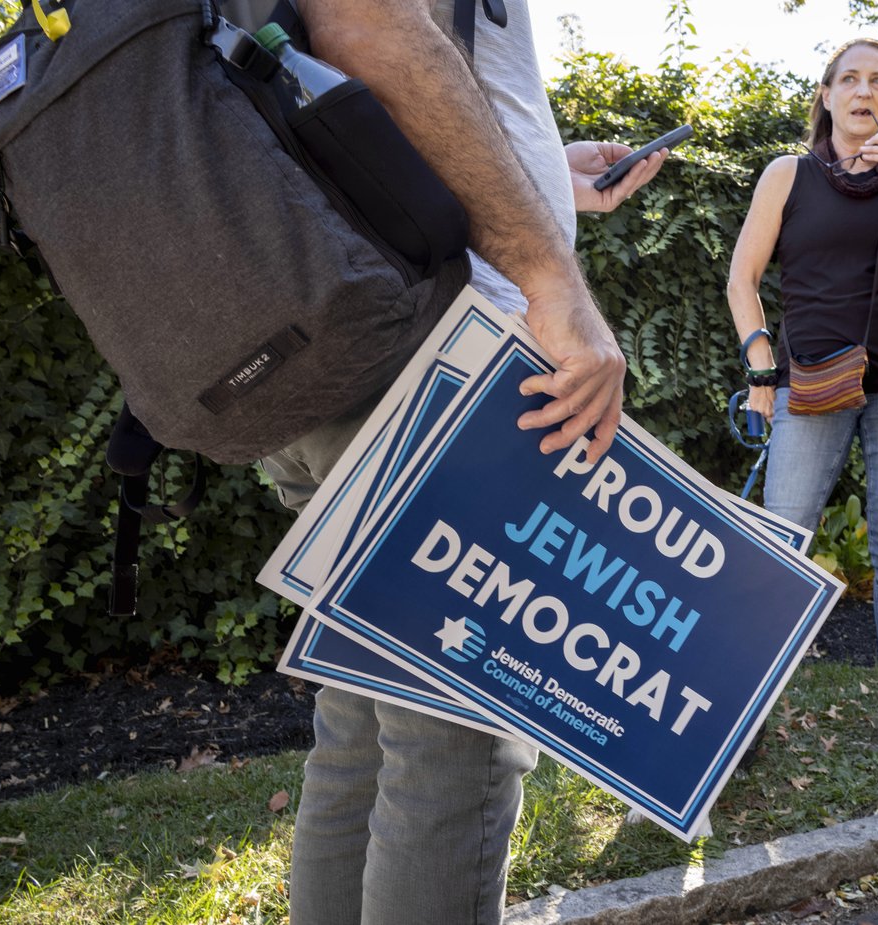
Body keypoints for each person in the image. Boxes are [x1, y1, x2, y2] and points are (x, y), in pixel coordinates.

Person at [257, 1, 671, 922]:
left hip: (334, 343)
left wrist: (544, 183)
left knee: (365, 723)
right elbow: (366, 23)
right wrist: (550, 272)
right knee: (454, 742)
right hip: (432, 355)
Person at [726, 38, 878, 765]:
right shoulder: (786, 175)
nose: (864, 92)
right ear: (826, 96)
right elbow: (743, 280)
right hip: (811, 386)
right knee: (781, 536)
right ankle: (742, 704)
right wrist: (763, 374)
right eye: (849, 80)